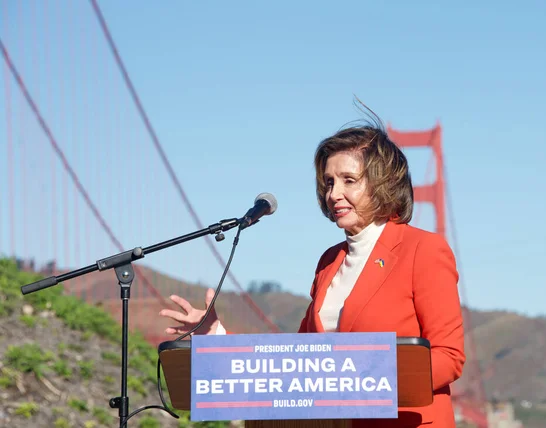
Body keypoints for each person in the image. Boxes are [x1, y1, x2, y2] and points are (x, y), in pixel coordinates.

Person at [159, 106, 465, 427]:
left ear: (383, 183)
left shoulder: (424, 250)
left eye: (349, 180)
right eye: (329, 182)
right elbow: (300, 364)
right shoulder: (329, 262)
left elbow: (448, 357)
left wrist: (361, 383)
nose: (334, 194)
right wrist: (215, 336)